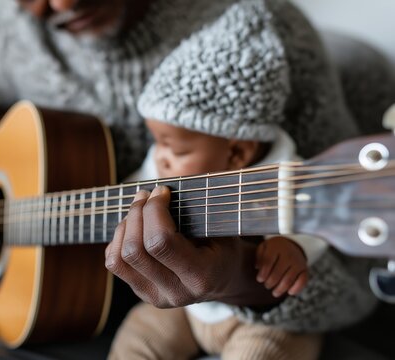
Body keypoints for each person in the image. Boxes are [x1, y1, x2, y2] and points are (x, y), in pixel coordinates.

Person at [0, 0, 377, 359]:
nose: (60, 5)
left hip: (225, 319)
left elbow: (357, 283)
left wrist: (239, 280)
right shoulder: (2, 30)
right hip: (58, 312)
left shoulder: (261, 33)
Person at [108, 18, 330, 358]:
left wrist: (294, 248)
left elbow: (323, 215)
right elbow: (133, 191)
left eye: (177, 150)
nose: (161, 158)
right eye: (158, 143)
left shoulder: (287, 176)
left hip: (264, 321)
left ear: (237, 152)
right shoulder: (161, 163)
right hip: (184, 309)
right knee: (137, 339)